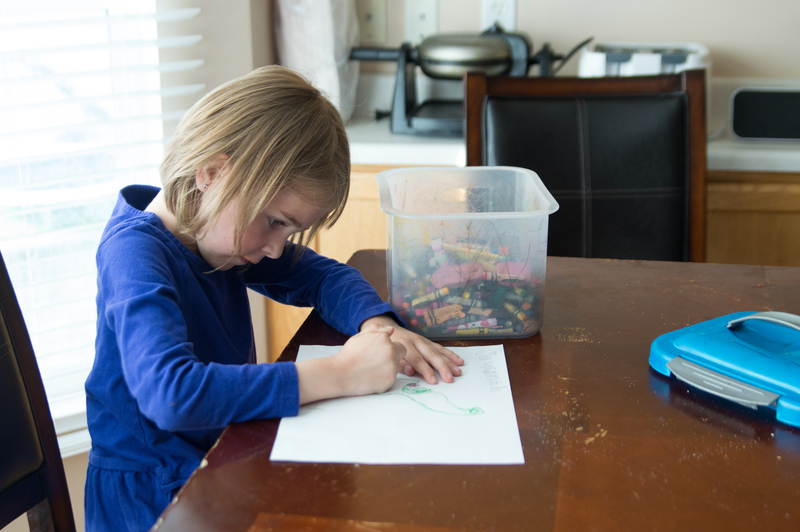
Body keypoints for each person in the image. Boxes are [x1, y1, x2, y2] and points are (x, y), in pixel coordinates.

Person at [84, 65, 464, 532]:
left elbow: (323, 277)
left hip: (219, 460)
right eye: (276, 222)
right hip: (153, 498)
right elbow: (172, 394)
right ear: (213, 173)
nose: (277, 249)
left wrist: (378, 325)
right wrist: (340, 373)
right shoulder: (133, 253)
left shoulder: (214, 232)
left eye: (290, 231)